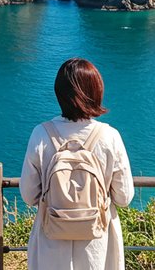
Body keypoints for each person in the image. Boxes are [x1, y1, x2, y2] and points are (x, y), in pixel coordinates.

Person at [20, 58, 134, 270]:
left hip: (51, 243)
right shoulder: (110, 136)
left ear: (59, 93)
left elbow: (28, 195)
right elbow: (124, 198)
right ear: (96, 92)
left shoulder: (41, 134)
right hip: (97, 246)